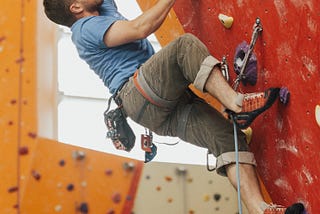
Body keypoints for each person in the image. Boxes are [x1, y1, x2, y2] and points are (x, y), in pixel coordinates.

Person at [43, 0, 305, 213]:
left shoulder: (101, 10)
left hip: (155, 110)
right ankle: (238, 104)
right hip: (139, 92)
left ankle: (260, 209)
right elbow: (140, 28)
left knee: (227, 138)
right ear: (76, 8)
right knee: (184, 47)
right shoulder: (85, 28)